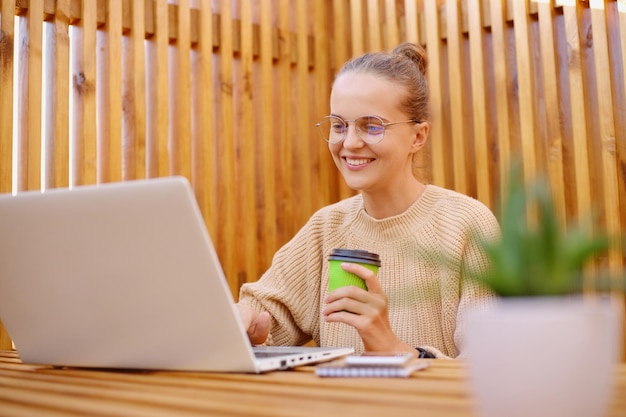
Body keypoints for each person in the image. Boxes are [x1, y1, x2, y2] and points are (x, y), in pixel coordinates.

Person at [236, 42, 500, 359]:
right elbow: (266, 308)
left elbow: (489, 367)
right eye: (339, 125)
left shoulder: (467, 224)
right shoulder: (326, 227)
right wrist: (250, 321)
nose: (349, 143)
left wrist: (393, 348)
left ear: (418, 136)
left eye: (371, 126)